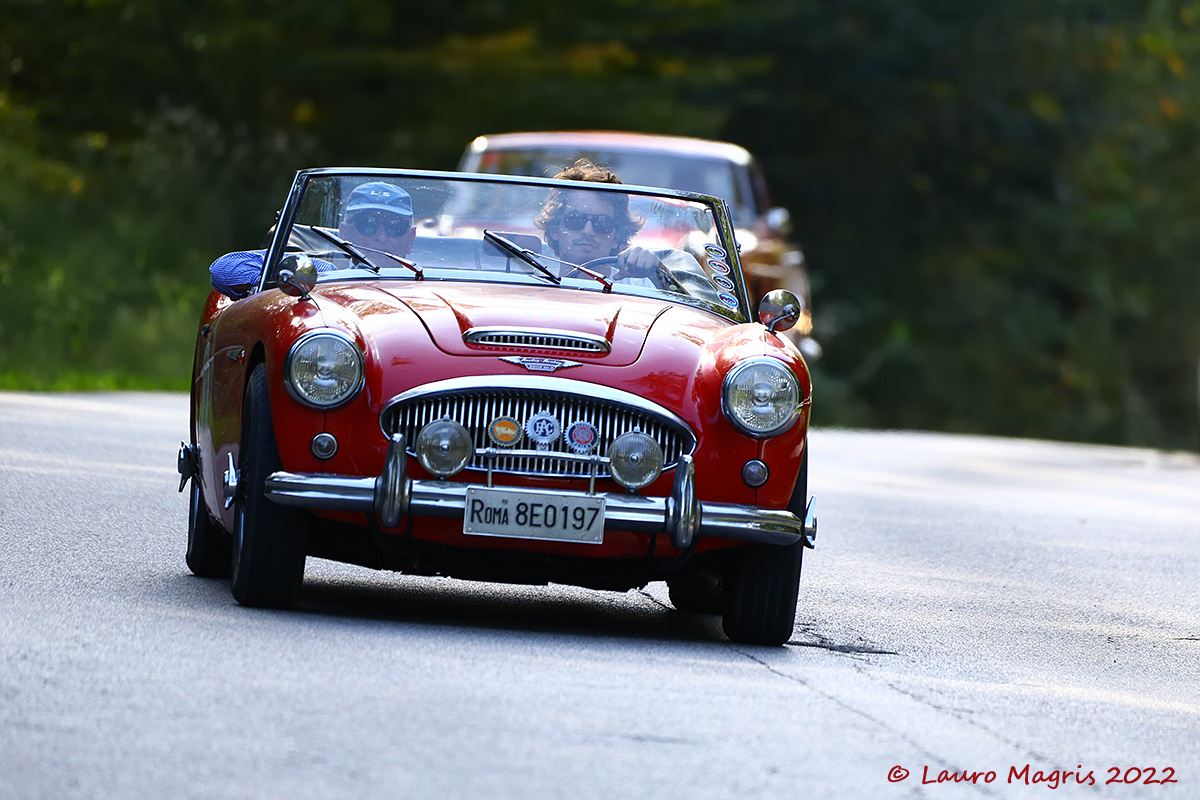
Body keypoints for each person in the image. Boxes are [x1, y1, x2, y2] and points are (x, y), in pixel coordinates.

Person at [209, 181, 415, 298]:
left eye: (395, 226)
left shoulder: (437, 283)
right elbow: (224, 269)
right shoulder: (323, 273)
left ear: (411, 237)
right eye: (366, 224)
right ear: (344, 233)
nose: (381, 236)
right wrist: (289, 279)